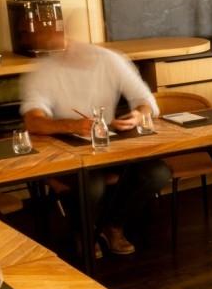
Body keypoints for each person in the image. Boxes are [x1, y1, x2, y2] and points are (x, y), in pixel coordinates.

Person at [21, 41, 170, 257]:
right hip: (63, 150)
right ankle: (84, 231)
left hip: (107, 146)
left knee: (157, 172)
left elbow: (146, 101)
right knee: (92, 184)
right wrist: (70, 125)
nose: (79, 49)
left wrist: (138, 115)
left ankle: (113, 225)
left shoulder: (110, 59)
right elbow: (33, 122)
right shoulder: (45, 70)